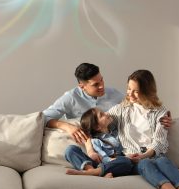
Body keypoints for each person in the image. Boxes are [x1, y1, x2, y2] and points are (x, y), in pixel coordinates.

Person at [67, 70, 179, 189]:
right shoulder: (121, 109)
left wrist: (145, 155)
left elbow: (159, 142)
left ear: (147, 91)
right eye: (128, 89)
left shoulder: (161, 113)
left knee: (162, 160)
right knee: (145, 164)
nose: (130, 94)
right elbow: (92, 124)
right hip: (132, 159)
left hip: (151, 154)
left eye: (136, 91)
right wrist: (88, 147)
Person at [43, 63, 171, 166]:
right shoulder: (70, 98)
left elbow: (141, 105)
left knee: (122, 162)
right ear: (82, 86)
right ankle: (91, 169)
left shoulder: (115, 94)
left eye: (102, 80)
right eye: (95, 84)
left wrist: (163, 117)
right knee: (71, 150)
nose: (102, 86)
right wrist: (67, 127)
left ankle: (102, 170)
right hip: (90, 147)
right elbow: (43, 117)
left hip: (116, 151)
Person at [65, 107, 134, 178]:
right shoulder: (96, 141)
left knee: (126, 162)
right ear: (97, 127)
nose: (107, 113)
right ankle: (92, 171)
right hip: (103, 163)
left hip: (116, 165)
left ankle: (97, 172)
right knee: (70, 150)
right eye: (102, 115)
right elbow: (103, 159)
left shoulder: (116, 131)